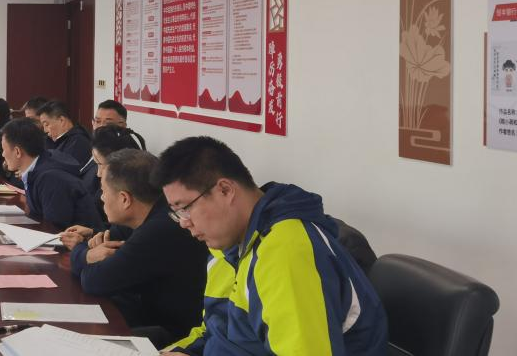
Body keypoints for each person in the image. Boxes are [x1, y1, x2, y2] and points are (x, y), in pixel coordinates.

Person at [155, 136, 387, 356]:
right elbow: (216, 330)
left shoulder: (286, 252)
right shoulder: (228, 246)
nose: (184, 222)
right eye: (177, 213)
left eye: (185, 208)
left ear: (225, 190)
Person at [61, 149, 207, 347]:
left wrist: (83, 254)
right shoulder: (154, 210)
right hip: (146, 313)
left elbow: (93, 281)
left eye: (104, 191)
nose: (101, 198)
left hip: (175, 336)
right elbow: (112, 239)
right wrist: (91, 245)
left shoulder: (160, 230)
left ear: (124, 199)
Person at [0, 118, 100, 231]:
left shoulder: (50, 179)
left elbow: (54, 230)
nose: (3, 154)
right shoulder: (40, 164)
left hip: (84, 240)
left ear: (17, 152)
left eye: (3, 149)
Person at [37, 100, 93, 168]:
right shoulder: (49, 140)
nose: (45, 130)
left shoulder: (79, 141)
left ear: (61, 120)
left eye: (46, 124)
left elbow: (61, 170)